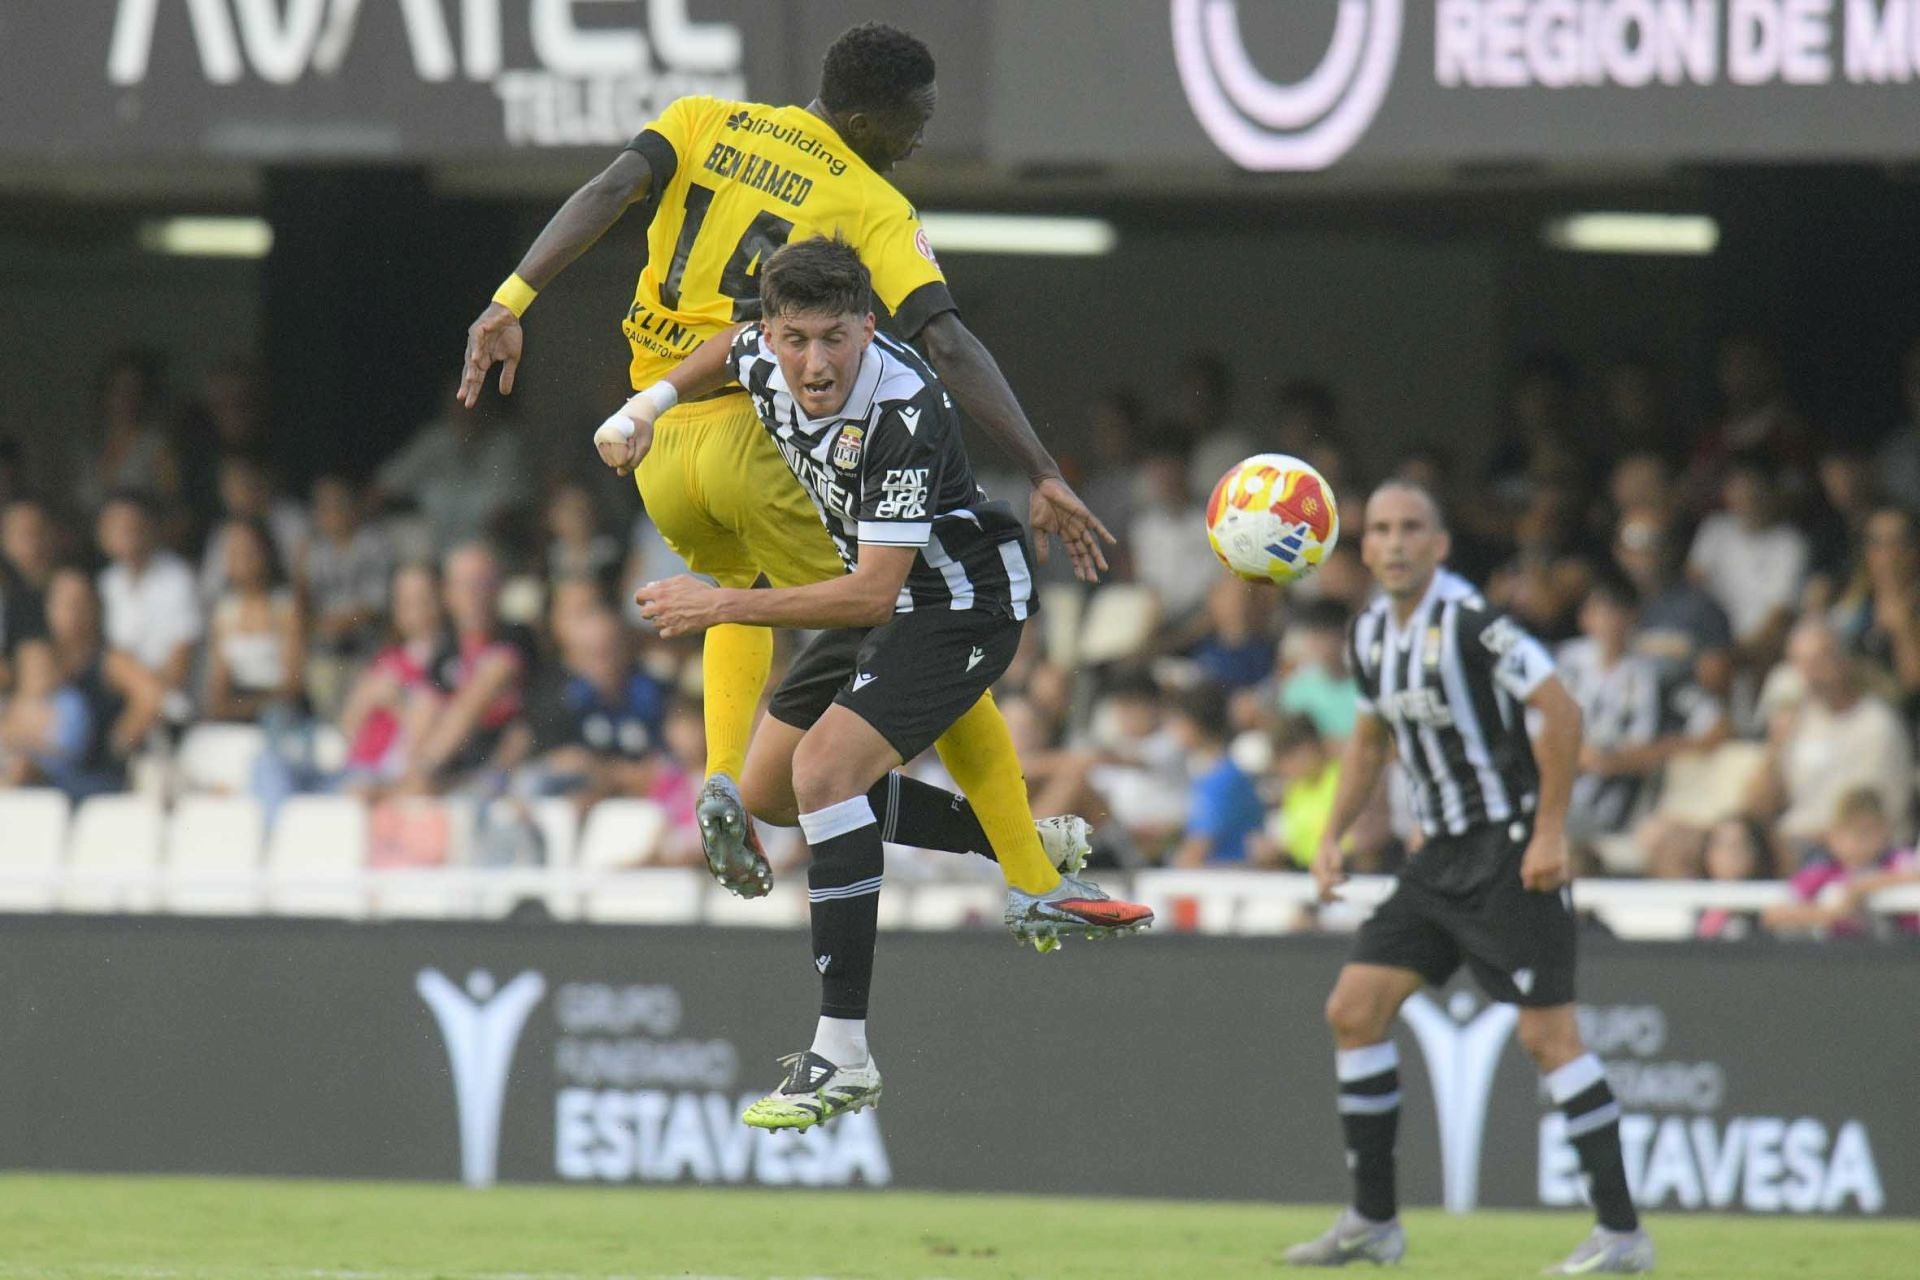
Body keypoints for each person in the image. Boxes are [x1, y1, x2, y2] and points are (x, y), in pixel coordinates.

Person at [457, 23, 1113, 916]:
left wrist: (510, 298)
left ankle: (725, 777)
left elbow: (612, 187)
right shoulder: (869, 200)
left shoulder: (703, 119)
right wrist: (1040, 466)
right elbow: (946, 342)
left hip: (659, 445)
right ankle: (1033, 877)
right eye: (910, 120)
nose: (918, 138)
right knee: (928, 626)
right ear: (861, 116)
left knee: (734, 580)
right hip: (753, 436)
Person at [606, 236, 1152, 1130]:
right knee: (772, 792)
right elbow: (722, 348)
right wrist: (648, 405)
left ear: (867, 325)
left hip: (957, 603)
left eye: (833, 338)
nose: (813, 364)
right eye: (794, 339)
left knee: (823, 773)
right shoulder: (762, 349)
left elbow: (875, 589)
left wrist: (721, 607)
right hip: (878, 603)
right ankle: (1016, 845)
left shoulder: (901, 411)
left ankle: (843, 1053)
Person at [1284, 482, 1652, 1275]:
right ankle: (1373, 1223)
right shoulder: (1370, 634)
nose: (1394, 542)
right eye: (1380, 529)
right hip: (1436, 859)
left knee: (1548, 1038)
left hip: (1510, 850)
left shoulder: (1476, 625)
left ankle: (1621, 1234)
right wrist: (1332, 835)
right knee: (1354, 1009)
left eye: (1411, 528)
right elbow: (1370, 742)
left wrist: (1551, 829)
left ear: (1441, 544)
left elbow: (1561, 710)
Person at [95, 490, 201, 718]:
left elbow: (180, 663)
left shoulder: (178, 577)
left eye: (132, 525)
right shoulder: (106, 583)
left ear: (151, 527)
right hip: (124, 696)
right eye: (117, 526)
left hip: (171, 693)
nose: (126, 533)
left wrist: (148, 693)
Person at [1166, 681, 1265, 868]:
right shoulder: (1212, 774)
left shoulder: (1223, 780)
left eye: (1176, 721)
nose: (1171, 730)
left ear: (1194, 723)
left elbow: (1196, 850)